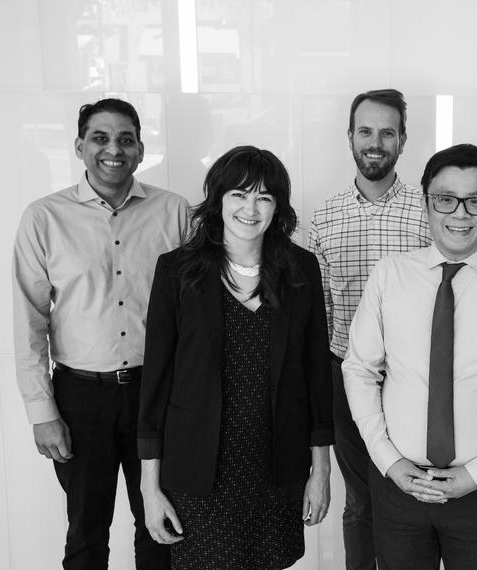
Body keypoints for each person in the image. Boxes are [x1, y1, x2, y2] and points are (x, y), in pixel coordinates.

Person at [343, 143, 477, 569]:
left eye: (475, 201)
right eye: (445, 199)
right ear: (426, 204)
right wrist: (390, 461)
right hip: (398, 488)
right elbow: (360, 369)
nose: (460, 214)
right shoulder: (389, 275)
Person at [137, 146, 334, 569]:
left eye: (264, 197)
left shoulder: (301, 270)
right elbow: (156, 382)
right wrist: (149, 488)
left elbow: (317, 377)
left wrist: (322, 471)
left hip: (276, 469)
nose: (250, 208)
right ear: (218, 200)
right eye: (238, 194)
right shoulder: (178, 271)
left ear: (277, 206)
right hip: (198, 472)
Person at [11, 98, 188, 569]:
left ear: (141, 149)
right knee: (86, 533)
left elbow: (197, 315)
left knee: (162, 528)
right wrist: (41, 412)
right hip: (80, 398)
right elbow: (30, 321)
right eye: (101, 138)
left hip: (158, 395)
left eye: (126, 139)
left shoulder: (174, 213)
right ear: (79, 146)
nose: (114, 150)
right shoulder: (43, 218)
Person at [307, 88, 431, 569]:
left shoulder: (429, 210)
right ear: (350, 137)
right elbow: (318, 311)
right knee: (359, 504)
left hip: (415, 378)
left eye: (386, 132)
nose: (374, 142)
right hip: (345, 375)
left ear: (403, 139)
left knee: (412, 498)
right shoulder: (324, 215)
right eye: (365, 131)